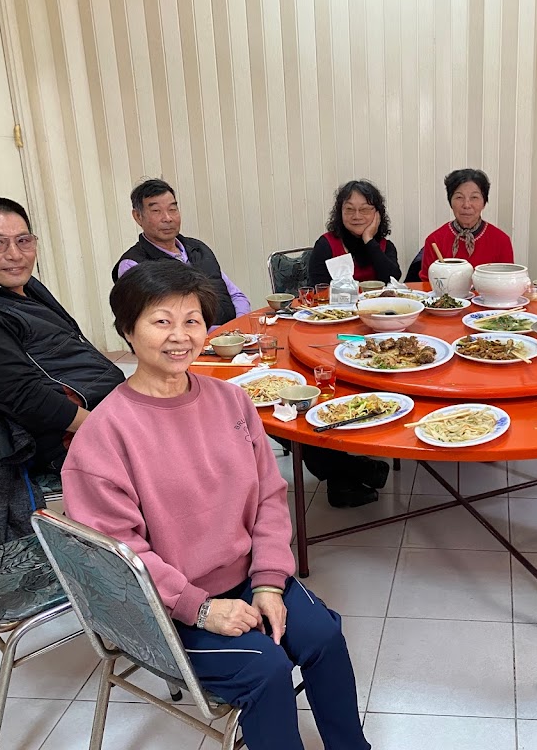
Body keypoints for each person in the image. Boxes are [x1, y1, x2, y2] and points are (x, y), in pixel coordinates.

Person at [62, 262, 370, 750]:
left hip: (248, 575)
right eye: (161, 321)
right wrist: (200, 609)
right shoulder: (105, 436)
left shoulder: (233, 401)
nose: (180, 336)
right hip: (171, 608)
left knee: (323, 636)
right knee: (265, 670)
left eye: (192, 320)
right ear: (127, 329)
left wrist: (269, 580)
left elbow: (268, 496)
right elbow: (121, 557)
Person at [0, 197, 125, 476]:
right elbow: (28, 399)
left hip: (103, 408)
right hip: (64, 443)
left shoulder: (16, 284)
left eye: (24, 241)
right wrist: (112, 431)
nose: (15, 255)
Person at [113, 178, 250, 328]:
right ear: (138, 216)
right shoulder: (134, 264)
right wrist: (217, 335)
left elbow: (236, 295)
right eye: (156, 211)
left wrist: (238, 327)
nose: (168, 218)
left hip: (230, 339)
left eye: (172, 209)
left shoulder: (197, 249)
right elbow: (148, 324)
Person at [418, 168, 513, 282]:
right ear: (450, 202)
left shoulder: (501, 241)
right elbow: (427, 284)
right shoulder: (434, 240)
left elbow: (508, 282)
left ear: (484, 202)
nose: (466, 205)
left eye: (474, 197)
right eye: (459, 197)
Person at [309, 179, 401, 286]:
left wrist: (369, 240)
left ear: (377, 214)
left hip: (377, 303)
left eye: (364, 210)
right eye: (349, 209)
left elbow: (393, 281)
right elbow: (319, 290)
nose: (357, 216)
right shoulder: (326, 245)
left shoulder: (385, 247)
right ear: (340, 212)